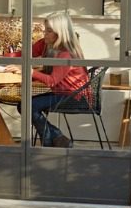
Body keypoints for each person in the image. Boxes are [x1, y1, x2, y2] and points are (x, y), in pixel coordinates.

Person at [6, 12, 88, 147]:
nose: (45, 34)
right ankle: (55, 138)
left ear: (60, 33)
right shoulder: (46, 45)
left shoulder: (65, 54)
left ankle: (51, 139)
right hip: (62, 93)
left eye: (49, 31)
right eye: (45, 30)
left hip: (74, 96)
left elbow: (52, 80)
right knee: (26, 105)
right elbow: (24, 54)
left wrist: (29, 71)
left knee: (27, 106)